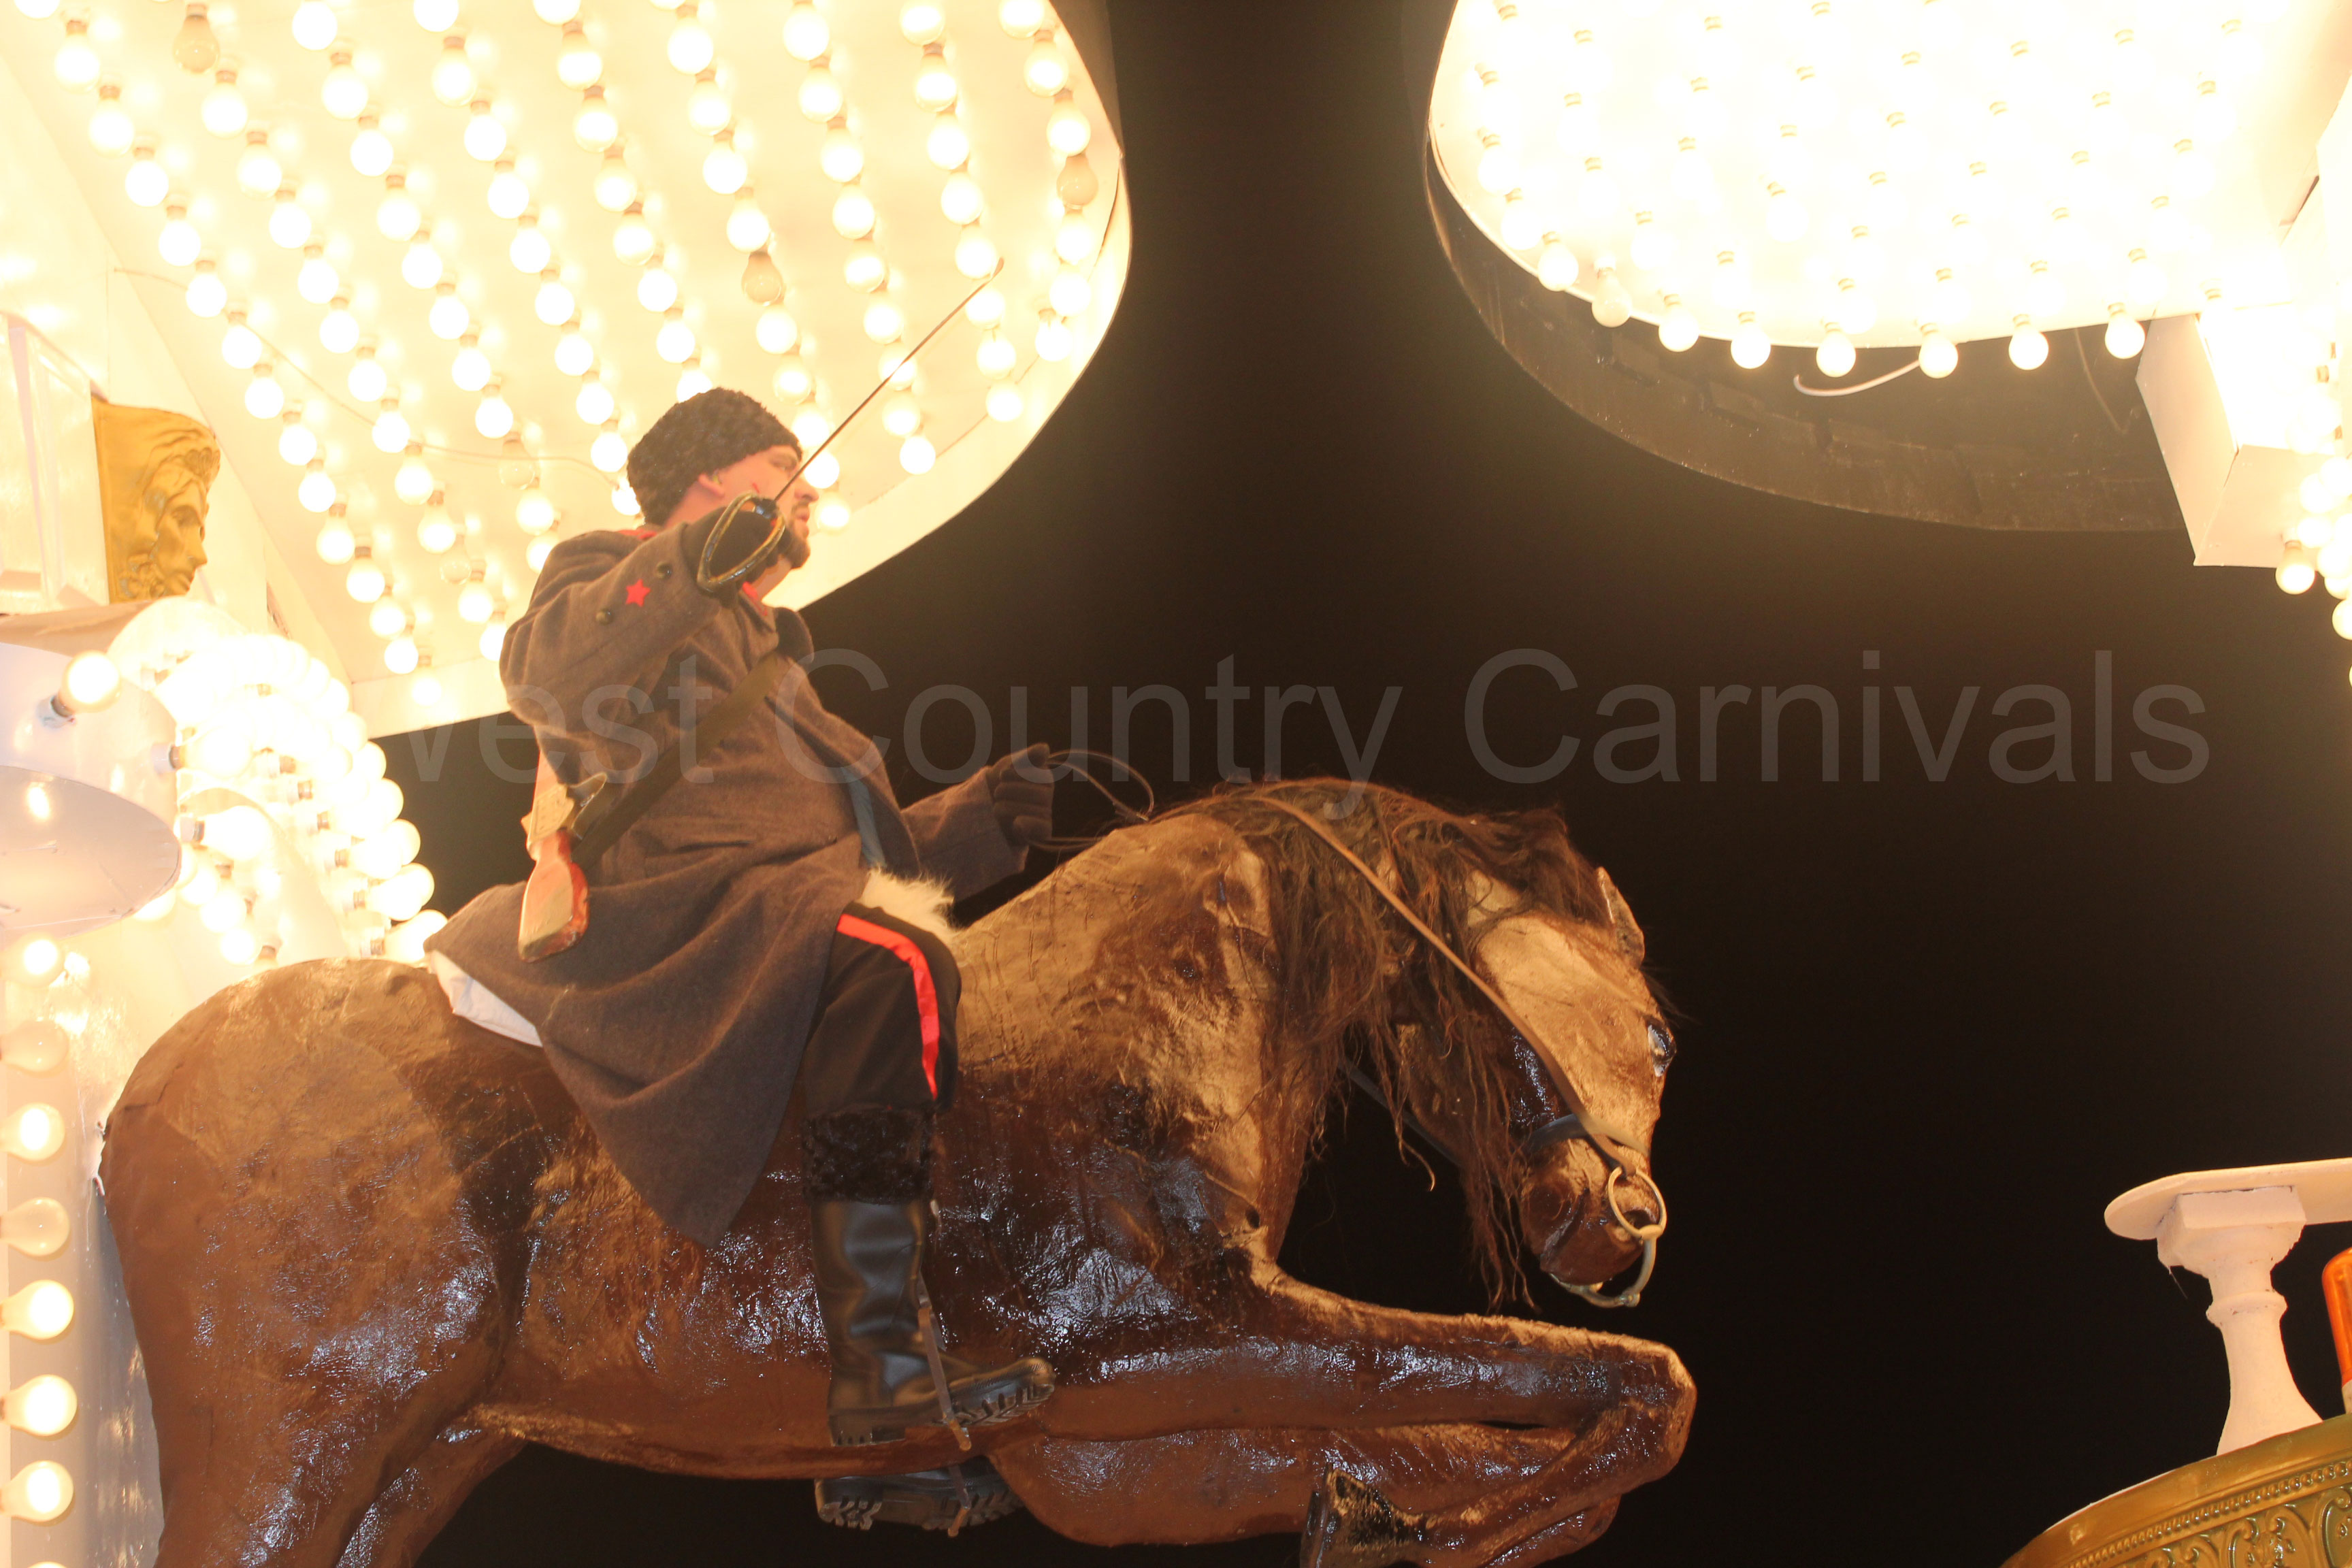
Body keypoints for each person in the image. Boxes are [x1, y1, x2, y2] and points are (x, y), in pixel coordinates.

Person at [424, 388, 1056, 1529]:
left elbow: (858, 856)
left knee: (908, 962)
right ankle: (881, 1366)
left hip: (787, 907)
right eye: (781, 464)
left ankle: (891, 1438)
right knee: (899, 956)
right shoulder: (611, 570)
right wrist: (692, 560)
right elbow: (543, 670)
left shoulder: (777, 655)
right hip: (686, 915)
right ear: (711, 482)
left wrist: (994, 814)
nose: (808, 488)